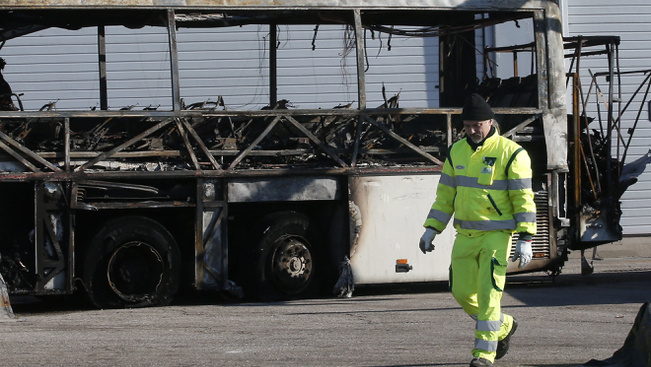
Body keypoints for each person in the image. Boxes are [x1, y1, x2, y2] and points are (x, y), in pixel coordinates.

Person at [419, 93, 536, 367]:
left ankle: (484, 355)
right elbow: (445, 196)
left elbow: (523, 199)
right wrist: (431, 229)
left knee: (488, 294)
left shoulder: (512, 153)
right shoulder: (456, 151)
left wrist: (526, 237)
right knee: (460, 291)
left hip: (497, 236)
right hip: (466, 235)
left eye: (477, 125)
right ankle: (504, 325)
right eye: (468, 125)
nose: (472, 131)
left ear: (491, 122)